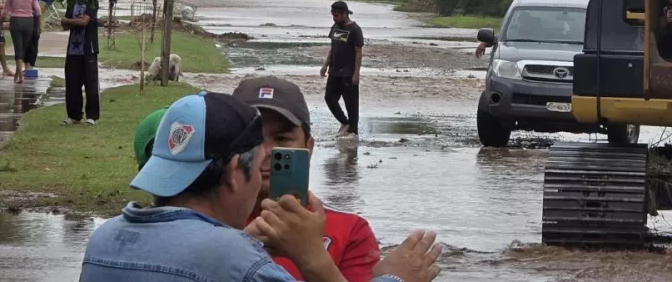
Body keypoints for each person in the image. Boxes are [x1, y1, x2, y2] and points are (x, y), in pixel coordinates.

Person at [81, 91, 442, 282]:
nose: (269, 160)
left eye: (283, 138)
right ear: (236, 172)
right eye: (259, 156)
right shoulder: (237, 260)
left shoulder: (105, 238)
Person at [233, 76, 381, 282]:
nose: (265, 152)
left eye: (282, 139)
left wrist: (314, 260)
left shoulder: (350, 232)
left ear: (308, 148)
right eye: (252, 140)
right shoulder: (199, 224)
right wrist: (239, 248)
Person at [321, 1, 363, 139]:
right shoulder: (335, 27)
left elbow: (358, 52)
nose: (334, 18)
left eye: (337, 15)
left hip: (348, 72)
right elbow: (333, 47)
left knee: (351, 103)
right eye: (333, 15)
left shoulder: (355, 30)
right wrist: (325, 64)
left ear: (345, 14)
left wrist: (356, 73)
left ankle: (353, 131)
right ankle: (345, 123)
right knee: (329, 98)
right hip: (334, 71)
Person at [61, 0, 101, 125]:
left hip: (88, 49)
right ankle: (74, 115)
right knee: (72, 82)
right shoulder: (72, 2)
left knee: (91, 83)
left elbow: (84, 22)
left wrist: (70, 20)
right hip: (73, 49)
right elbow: (63, 24)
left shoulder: (92, 2)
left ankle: (92, 116)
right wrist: (74, 21)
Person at [2, 0, 41, 84]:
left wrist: (1, 21)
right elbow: (38, 11)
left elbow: (5, 11)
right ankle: (18, 74)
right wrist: (37, 27)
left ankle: (19, 75)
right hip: (29, 22)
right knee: (23, 47)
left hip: (16, 21)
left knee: (17, 47)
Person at [24, 0, 54, 69]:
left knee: (33, 41)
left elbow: (50, 0)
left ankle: (30, 66)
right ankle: (26, 65)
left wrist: (41, 10)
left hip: (34, 18)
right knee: (25, 42)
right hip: (23, 18)